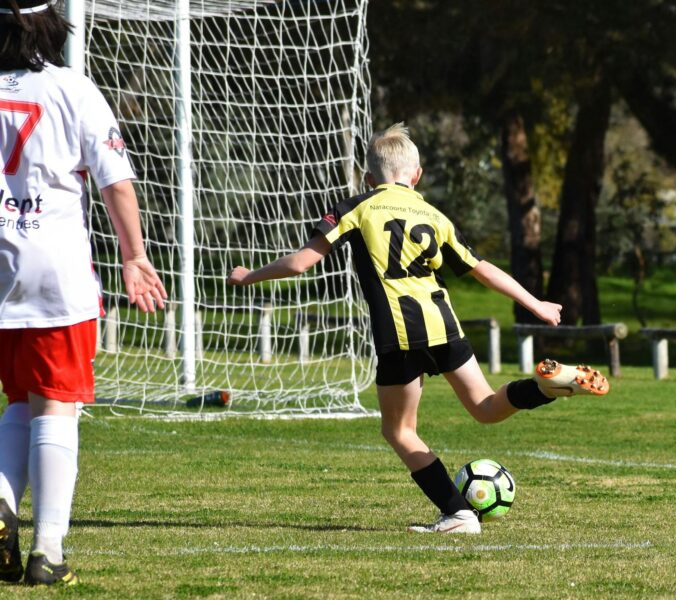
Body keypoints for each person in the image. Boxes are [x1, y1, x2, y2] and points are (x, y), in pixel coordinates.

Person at [227, 123, 608, 534]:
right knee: (486, 408)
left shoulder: (358, 206)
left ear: (370, 179)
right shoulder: (434, 215)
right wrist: (535, 303)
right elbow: (481, 269)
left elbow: (301, 262)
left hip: (399, 332)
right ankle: (546, 387)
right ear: (418, 174)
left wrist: (250, 276)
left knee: (398, 430)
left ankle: (458, 514)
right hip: (444, 322)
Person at [0, 0, 167, 586]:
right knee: (58, 403)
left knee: (19, 399)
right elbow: (115, 180)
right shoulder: (72, 87)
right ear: (51, 25)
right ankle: (48, 549)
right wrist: (135, 256)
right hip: (54, 268)